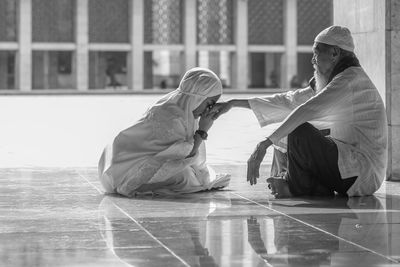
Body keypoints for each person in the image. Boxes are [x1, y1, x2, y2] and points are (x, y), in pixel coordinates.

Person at [211, 25, 388, 198]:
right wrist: (233, 103)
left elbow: (306, 110)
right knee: (286, 132)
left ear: (334, 53)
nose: (313, 61)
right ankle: (297, 183)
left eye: (316, 54)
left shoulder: (349, 81)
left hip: (363, 173)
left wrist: (264, 144)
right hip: (347, 166)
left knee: (297, 130)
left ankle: (293, 186)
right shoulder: (338, 80)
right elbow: (290, 101)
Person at [98, 67, 230, 197]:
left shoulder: (185, 109)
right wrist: (203, 130)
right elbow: (184, 156)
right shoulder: (173, 115)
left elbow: (186, 157)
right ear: (198, 98)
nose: (210, 109)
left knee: (190, 175)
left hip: (138, 159)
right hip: (125, 168)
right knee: (185, 177)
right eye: (210, 103)